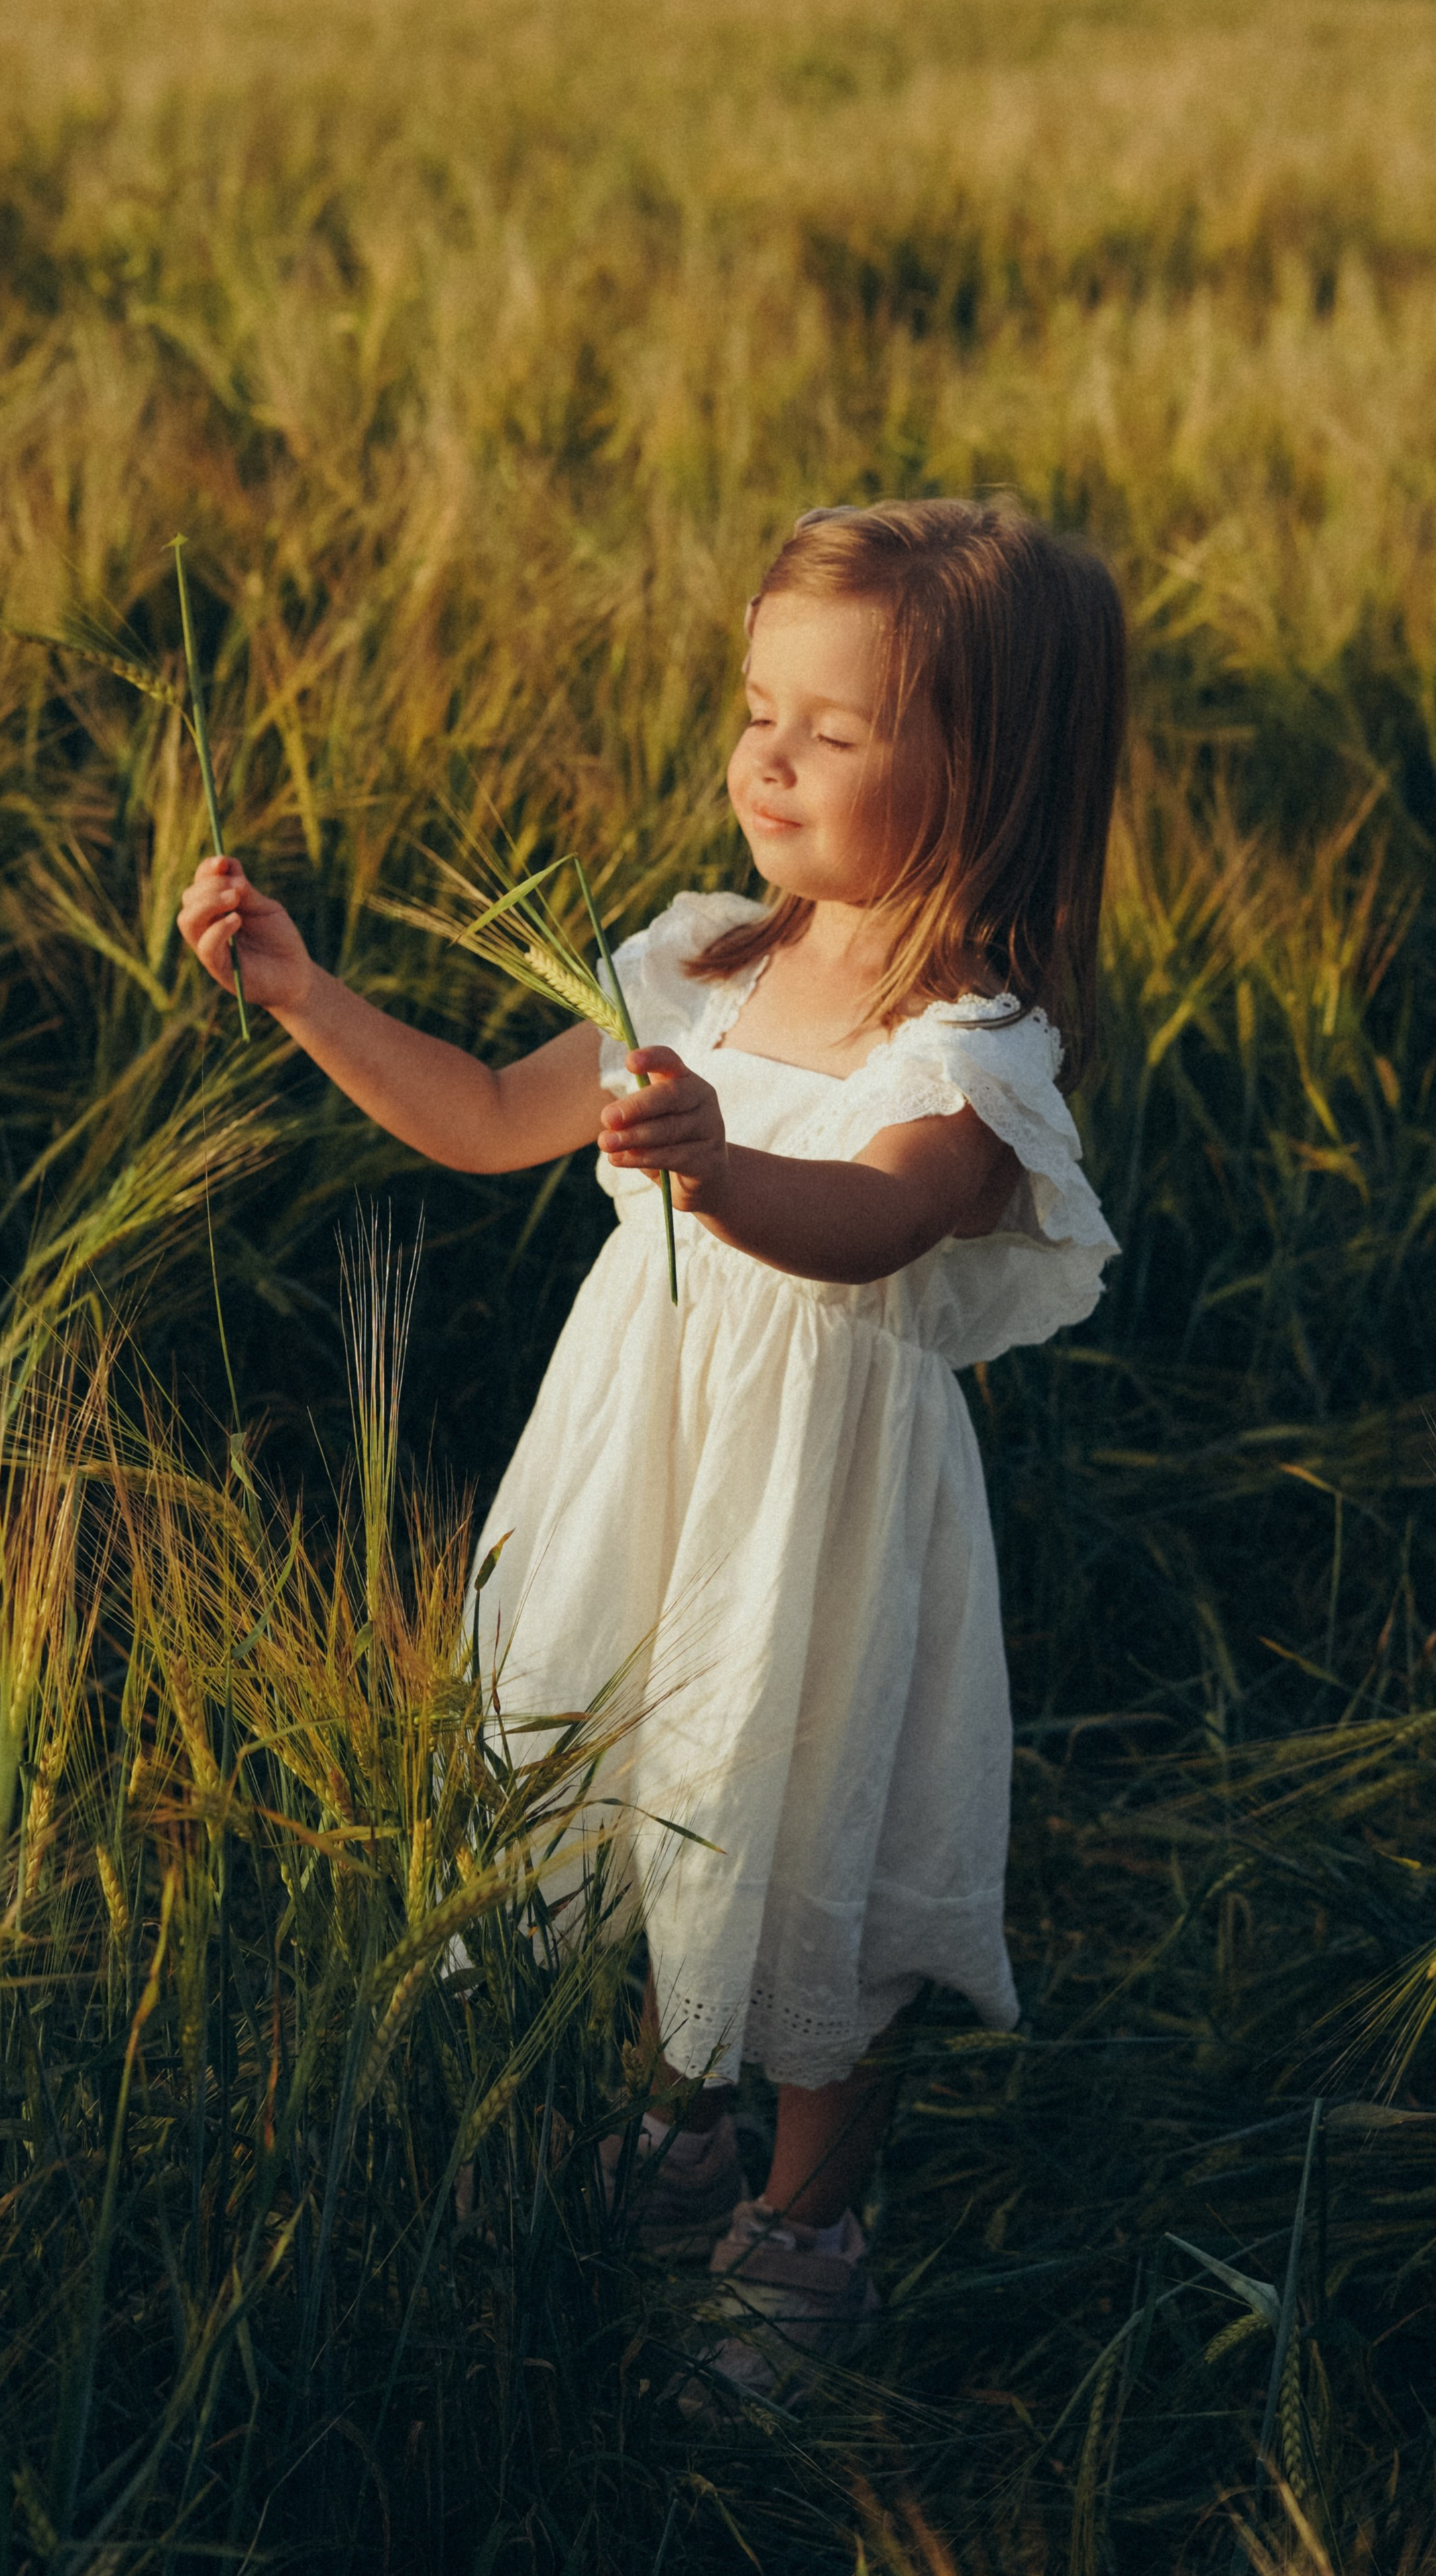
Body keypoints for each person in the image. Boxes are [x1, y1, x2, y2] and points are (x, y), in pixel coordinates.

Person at [177, 497, 1125, 2399]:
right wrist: (301, 993)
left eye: (831, 732)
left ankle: (807, 2223)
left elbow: (877, 1223)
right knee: (644, 1787)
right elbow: (473, 1115)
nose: (764, 756)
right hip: (650, 1461)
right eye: (757, 706)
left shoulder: (975, 1046)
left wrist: (719, 1166)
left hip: (813, 1517)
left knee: (799, 1829)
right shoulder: (698, 963)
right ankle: (694, 2126)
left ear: (985, 773)